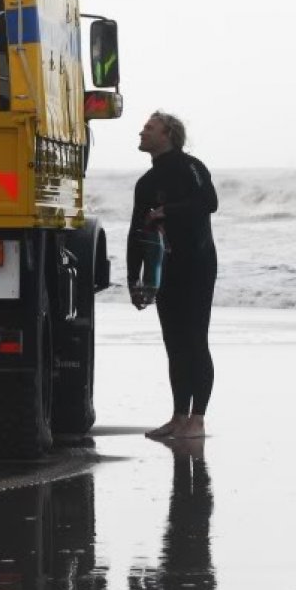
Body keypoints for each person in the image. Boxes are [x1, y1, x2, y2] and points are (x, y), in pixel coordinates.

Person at [128, 112, 218, 439]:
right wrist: (133, 279)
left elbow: (209, 202)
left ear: (167, 134)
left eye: (149, 128)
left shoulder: (191, 167)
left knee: (194, 340)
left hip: (197, 265)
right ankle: (179, 416)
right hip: (166, 270)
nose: (142, 131)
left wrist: (168, 211)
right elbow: (137, 231)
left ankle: (198, 419)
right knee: (174, 344)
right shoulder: (146, 183)